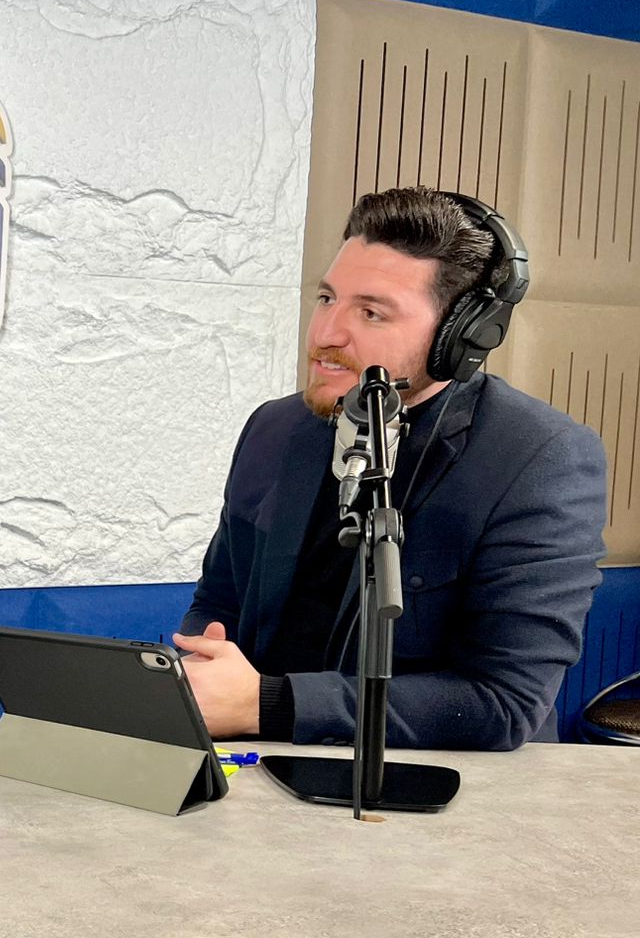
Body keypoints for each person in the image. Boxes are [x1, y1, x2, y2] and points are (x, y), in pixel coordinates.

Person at [173, 187, 606, 751]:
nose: (325, 334)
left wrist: (268, 703)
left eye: (371, 312)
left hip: (450, 790)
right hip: (259, 764)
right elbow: (220, 600)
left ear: (461, 335)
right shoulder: (274, 430)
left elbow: (504, 702)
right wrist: (202, 676)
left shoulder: (539, 458)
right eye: (327, 298)